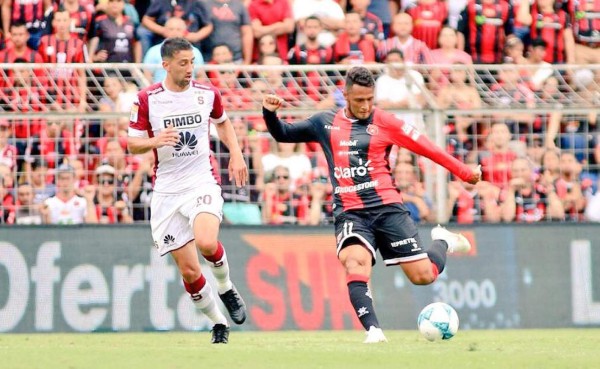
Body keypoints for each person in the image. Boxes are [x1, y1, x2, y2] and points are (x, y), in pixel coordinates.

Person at [262, 66, 481, 343]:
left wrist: (464, 172)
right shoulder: (324, 122)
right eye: (359, 100)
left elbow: (429, 148)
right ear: (345, 95)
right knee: (355, 262)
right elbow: (283, 133)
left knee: (423, 276)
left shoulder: (387, 122)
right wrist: (269, 113)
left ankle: (443, 241)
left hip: (388, 208)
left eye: (370, 99)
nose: (366, 106)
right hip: (351, 211)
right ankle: (374, 331)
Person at [127, 37, 248, 344]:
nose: (190, 68)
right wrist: (155, 141)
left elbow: (222, 123)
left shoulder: (207, 94)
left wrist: (235, 152)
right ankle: (218, 322)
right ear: (165, 65)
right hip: (167, 191)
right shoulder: (147, 99)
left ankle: (225, 287)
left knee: (207, 242)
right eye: (183, 63)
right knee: (191, 272)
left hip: (200, 182)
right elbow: (131, 142)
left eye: (192, 62)